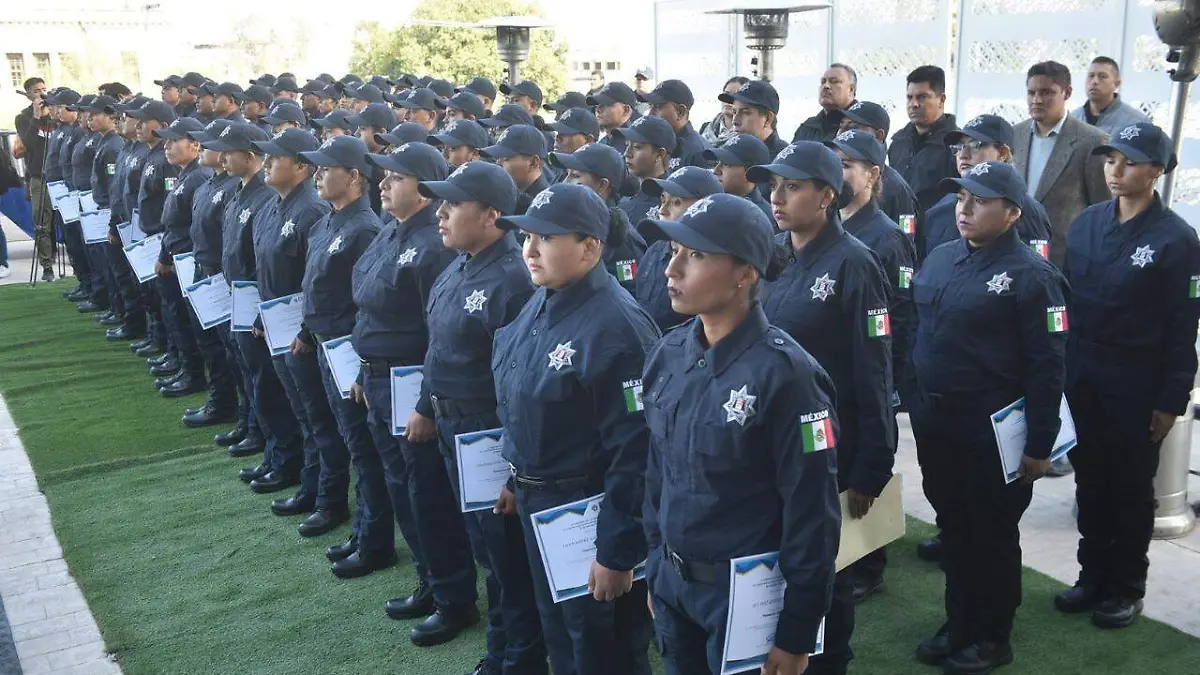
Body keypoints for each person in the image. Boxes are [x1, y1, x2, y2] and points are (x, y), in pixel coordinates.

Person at [639, 193, 839, 675]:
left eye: (697, 255)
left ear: (745, 274)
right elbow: (656, 471)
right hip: (674, 583)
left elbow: (812, 512)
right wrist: (655, 566)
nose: (673, 269)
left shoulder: (789, 376)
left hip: (744, 597)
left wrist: (797, 632)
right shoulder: (668, 354)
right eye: (674, 253)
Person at [492, 182, 659, 675]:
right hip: (540, 503)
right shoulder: (543, 298)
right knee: (563, 637)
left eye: (546, 237)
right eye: (527, 236)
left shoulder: (617, 327)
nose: (529, 248)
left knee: (602, 649)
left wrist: (617, 551)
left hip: (588, 513)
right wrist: (514, 474)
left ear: (590, 247)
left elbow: (637, 451)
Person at [909, 160, 1067, 674]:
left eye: (980, 200)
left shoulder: (1033, 277)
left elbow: (1048, 367)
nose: (965, 208)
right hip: (939, 424)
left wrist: (1040, 445)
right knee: (954, 527)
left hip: (994, 432)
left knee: (992, 534)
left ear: (1013, 211)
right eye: (961, 198)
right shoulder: (940, 258)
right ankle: (959, 621)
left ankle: (992, 635)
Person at [751, 142, 895, 675]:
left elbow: (874, 372)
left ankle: (830, 660)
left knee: (826, 575)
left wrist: (872, 463)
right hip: (771, 444)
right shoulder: (772, 254)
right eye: (774, 185)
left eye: (793, 186)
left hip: (832, 446)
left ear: (828, 195)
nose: (777, 196)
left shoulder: (856, 264)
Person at [1059, 122, 1200, 629]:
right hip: (1084, 373)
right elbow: (1069, 301)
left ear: (1157, 171)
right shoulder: (1089, 223)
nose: (1116, 170)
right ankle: (1091, 575)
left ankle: (1126, 587)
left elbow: (1183, 331)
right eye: (1110, 159)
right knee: (1091, 483)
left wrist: (1170, 399)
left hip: (1137, 379)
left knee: (1131, 489)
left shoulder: (1177, 240)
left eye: (1131, 161)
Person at [416, 160, 547, 675]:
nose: (441, 214)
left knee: (504, 554)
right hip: (455, 430)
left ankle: (517, 657)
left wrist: (513, 465)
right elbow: (439, 347)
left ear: (493, 213)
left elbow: (519, 382)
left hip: (488, 433)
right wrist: (428, 405)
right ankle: (506, 647)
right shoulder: (460, 263)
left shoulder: (514, 276)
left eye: (454, 204)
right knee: (487, 547)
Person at [350, 143, 483, 646]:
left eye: (397, 178)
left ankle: (451, 594)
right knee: (401, 483)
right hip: (383, 376)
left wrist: (424, 402)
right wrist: (365, 369)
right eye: (383, 176)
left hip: (415, 383)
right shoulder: (390, 231)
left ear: (426, 188)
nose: (383, 185)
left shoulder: (434, 243)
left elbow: (438, 336)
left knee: (425, 491)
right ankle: (430, 579)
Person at [825, 129, 917, 602]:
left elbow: (898, 318)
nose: (838, 171)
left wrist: (890, 385)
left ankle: (870, 565)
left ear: (872, 174)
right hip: (836, 376)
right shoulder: (832, 227)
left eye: (846, 163)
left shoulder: (886, 238)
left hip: (869, 377)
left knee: (865, 466)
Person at [295, 136, 390, 576]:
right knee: (350, 441)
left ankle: (375, 540)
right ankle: (361, 529)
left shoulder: (364, 228)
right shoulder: (329, 222)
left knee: (365, 449)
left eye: (326, 168)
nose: (317, 175)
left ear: (353, 176)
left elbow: (366, 302)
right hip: (325, 347)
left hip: (349, 350)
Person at [203, 122, 305, 488]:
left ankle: (284, 458)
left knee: (269, 384)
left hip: (268, 309)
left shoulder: (268, 198)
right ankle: (271, 450)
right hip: (244, 302)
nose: (223, 156)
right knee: (252, 377)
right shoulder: (243, 193)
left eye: (229, 151)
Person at [249, 128, 341, 519]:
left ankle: (326, 497)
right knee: (301, 412)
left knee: (317, 419)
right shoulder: (275, 204)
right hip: (278, 325)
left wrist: (305, 331)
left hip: (303, 334)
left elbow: (316, 282)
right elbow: (267, 268)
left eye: (276, 158)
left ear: (301, 166)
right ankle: (309, 483)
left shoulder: (310, 210)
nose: (267, 164)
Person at [1013, 61, 1110, 269]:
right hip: (1014, 254)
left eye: (1047, 92)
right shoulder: (1015, 134)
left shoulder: (1091, 141)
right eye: (1031, 93)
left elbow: (1103, 208)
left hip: (1065, 258)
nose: (1037, 100)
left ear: (1066, 93)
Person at [921, 115, 1053, 263]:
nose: (963, 155)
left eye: (975, 145)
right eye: (958, 148)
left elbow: (1037, 271)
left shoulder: (1027, 210)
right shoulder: (940, 209)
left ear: (1002, 153)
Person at [180, 119, 241, 435]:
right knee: (211, 345)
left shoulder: (232, 187)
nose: (204, 148)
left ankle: (235, 409)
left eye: (213, 144)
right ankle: (223, 402)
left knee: (229, 350)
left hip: (221, 278)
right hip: (202, 271)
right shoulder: (207, 184)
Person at [150, 116, 210, 399]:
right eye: (167, 141)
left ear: (195, 145)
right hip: (176, 258)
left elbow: (193, 227)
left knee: (188, 323)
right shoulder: (186, 174)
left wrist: (171, 257)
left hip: (185, 261)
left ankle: (194, 374)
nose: (167, 146)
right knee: (178, 318)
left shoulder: (198, 177)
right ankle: (186, 368)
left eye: (175, 141)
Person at [633, 166, 724, 332]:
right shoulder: (655, 251)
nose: (662, 210)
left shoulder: (714, 260)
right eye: (662, 199)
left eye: (676, 202)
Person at [551, 142, 649, 294]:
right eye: (567, 174)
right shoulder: (578, 221)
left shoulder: (623, 241)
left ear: (602, 186)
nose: (565, 182)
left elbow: (630, 293)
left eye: (575, 176)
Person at [836, 101, 921, 241]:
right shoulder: (835, 178)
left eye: (853, 128)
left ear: (878, 136)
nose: (842, 134)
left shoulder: (898, 190)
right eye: (841, 127)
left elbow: (906, 239)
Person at [887, 66, 958, 214]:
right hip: (903, 225)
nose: (914, 104)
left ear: (941, 99)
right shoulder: (898, 142)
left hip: (939, 230)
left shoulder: (956, 145)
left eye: (922, 97)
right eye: (909, 97)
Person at [14, 76, 56, 281]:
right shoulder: (23, 117)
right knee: (41, 222)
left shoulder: (55, 112)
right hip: (39, 176)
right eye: (37, 90)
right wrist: (37, 117)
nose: (42, 92)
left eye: (44, 88)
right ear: (29, 94)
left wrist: (49, 115)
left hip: (59, 176)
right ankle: (47, 265)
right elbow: (28, 142)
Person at [613, 116, 677, 224]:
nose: (627, 153)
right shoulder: (627, 196)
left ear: (660, 154)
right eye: (627, 145)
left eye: (637, 147)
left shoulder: (670, 202)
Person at [639, 79, 712, 170]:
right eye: (650, 106)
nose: (650, 113)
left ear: (680, 112)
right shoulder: (659, 142)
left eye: (658, 106)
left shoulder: (698, 152)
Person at [1070, 57, 1149, 138]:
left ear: (1117, 83)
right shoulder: (1072, 119)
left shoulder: (1136, 123)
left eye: (1103, 76)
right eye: (1091, 75)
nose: (1094, 81)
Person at [702, 132, 773, 222]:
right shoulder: (706, 201)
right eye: (716, 163)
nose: (716, 171)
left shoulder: (762, 218)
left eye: (726, 164)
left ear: (750, 172)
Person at [480, 125, 550, 215]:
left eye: (506, 157)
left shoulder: (544, 207)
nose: (498, 162)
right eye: (498, 157)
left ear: (533, 163)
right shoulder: (509, 194)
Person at [793, 64, 858, 142]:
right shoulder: (808, 126)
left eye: (834, 81)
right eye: (823, 82)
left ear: (851, 89)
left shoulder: (862, 126)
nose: (826, 86)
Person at [590, 82, 641, 156]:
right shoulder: (602, 142)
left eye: (606, 104)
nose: (598, 109)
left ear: (626, 110)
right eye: (597, 104)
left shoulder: (635, 144)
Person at [699, 76, 750, 147]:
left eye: (735, 96)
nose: (728, 101)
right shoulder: (706, 127)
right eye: (726, 94)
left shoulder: (748, 134)